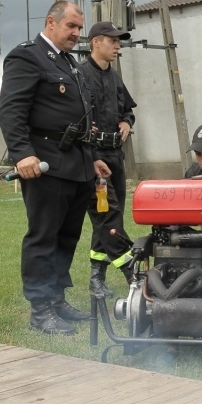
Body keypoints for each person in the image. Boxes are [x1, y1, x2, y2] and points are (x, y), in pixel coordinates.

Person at [0, 1, 111, 335]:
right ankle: (40, 310)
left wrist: (92, 158)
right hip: (44, 163)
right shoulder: (27, 56)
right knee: (43, 237)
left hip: (76, 163)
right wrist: (22, 154)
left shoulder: (69, 63)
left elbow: (80, 119)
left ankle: (57, 300)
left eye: (79, 29)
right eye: (71, 27)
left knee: (66, 237)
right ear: (51, 22)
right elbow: (11, 109)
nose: (77, 34)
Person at [82, 22, 137, 298]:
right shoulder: (80, 75)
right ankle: (133, 274)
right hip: (95, 159)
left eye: (119, 41)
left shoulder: (115, 77)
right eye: (112, 41)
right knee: (108, 214)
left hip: (116, 157)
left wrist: (127, 122)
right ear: (95, 42)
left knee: (109, 217)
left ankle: (96, 279)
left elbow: (128, 109)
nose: (117, 46)